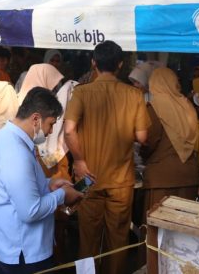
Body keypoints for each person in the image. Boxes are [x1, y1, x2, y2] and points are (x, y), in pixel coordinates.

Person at [62, 40, 150, 274]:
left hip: (88, 177)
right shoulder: (134, 94)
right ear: (120, 64)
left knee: (87, 239)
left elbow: (69, 130)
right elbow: (142, 137)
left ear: (93, 63)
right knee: (118, 240)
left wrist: (79, 160)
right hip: (121, 180)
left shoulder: (82, 92)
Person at [0, 87, 83, 274]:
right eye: (51, 124)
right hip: (22, 253)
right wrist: (62, 195)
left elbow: (18, 184)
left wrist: (49, 184)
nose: (51, 131)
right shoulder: (16, 151)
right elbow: (30, 211)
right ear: (36, 119)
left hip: (7, 245)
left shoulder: (7, 137)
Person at [141, 68, 199, 213]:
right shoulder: (187, 106)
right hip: (189, 177)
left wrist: (142, 155)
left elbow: (149, 141)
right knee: (184, 225)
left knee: (159, 224)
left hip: (162, 179)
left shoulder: (154, 108)